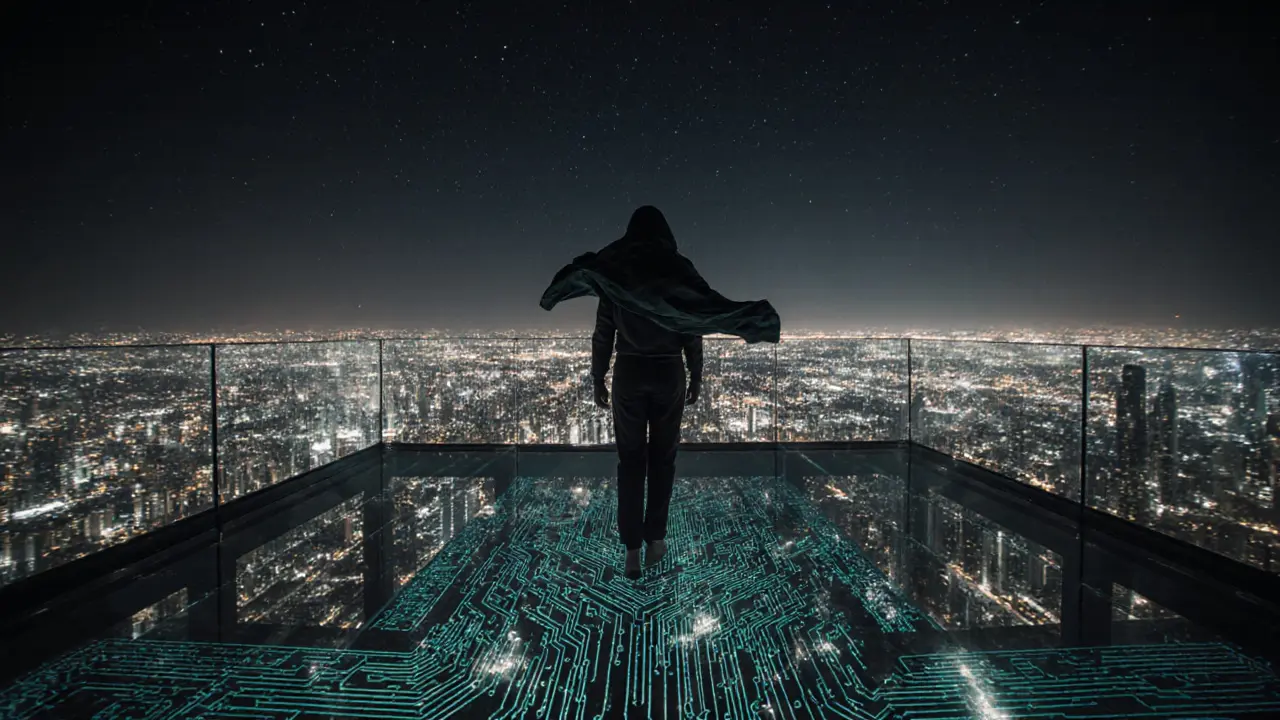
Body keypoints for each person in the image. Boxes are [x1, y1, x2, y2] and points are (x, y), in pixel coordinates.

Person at [540, 205, 781, 579]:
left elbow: (603, 333)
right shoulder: (677, 267)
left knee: (631, 462)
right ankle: (656, 540)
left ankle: (632, 550)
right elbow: (694, 323)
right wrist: (696, 375)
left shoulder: (616, 270)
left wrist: (597, 377)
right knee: (663, 460)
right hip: (669, 372)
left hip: (629, 374)